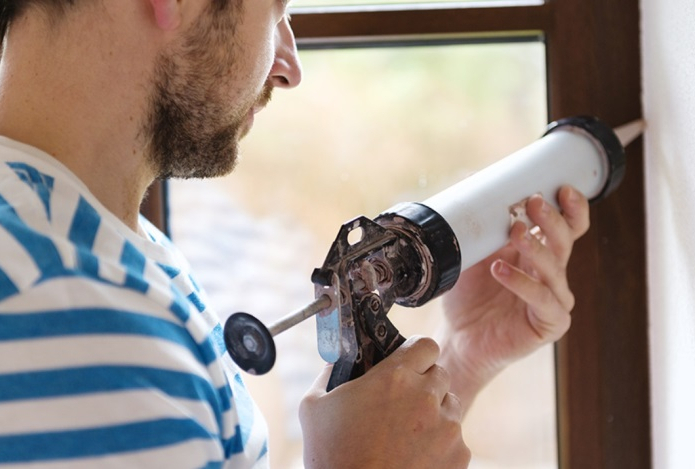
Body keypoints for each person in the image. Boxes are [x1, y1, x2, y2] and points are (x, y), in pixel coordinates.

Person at [0, 1, 590, 468]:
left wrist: (459, 360)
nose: (289, 67)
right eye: (276, 11)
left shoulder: (101, 246)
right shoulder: (66, 311)